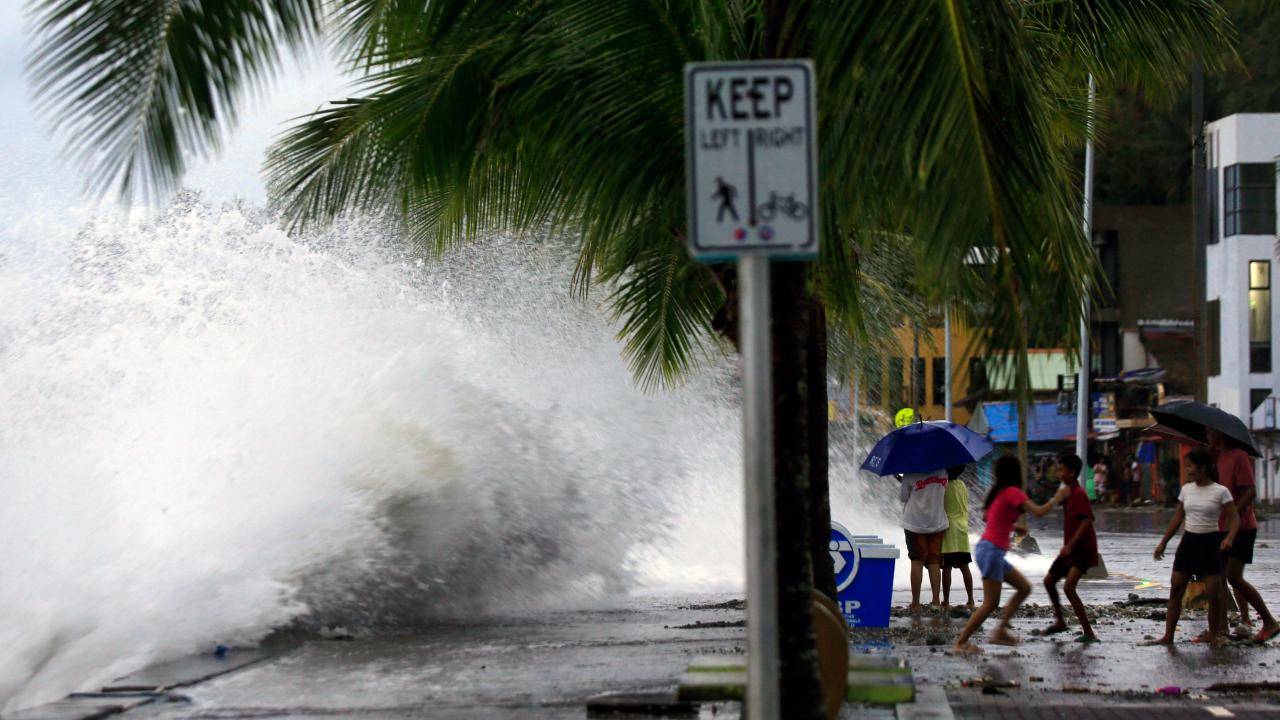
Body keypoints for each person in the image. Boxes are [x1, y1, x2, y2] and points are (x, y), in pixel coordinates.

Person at [952, 456, 1068, 654]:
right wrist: (1058, 497)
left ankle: (1000, 630)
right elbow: (1039, 512)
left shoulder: (998, 492)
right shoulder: (1013, 492)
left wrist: (1013, 527)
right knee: (990, 603)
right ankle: (961, 643)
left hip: (988, 549)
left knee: (1024, 588)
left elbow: (987, 517)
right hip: (991, 551)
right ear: (1016, 473)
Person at [1143, 448, 1240, 646]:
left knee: (1213, 592)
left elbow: (1234, 517)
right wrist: (1163, 542)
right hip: (1189, 541)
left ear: (1203, 468)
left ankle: (1214, 633)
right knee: (1176, 589)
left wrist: (1229, 537)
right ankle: (1168, 636)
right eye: (1186, 467)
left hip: (1211, 542)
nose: (1187, 470)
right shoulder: (1186, 489)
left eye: (1190, 466)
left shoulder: (1220, 491)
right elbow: (1178, 516)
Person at [1208, 429, 1280, 643]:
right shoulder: (1219, 458)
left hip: (1242, 527)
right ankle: (1219, 630)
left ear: (1220, 435)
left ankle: (1269, 621)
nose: (1208, 437)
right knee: (1218, 579)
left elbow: (1250, 491)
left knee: (1233, 576)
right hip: (1221, 526)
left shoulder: (1239, 456)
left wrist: (1234, 512)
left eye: (1210, 434)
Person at [1039, 453, 1099, 642]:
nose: (1058, 473)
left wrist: (1070, 545)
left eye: (1061, 469)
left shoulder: (1079, 494)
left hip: (1081, 549)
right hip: (1069, 550)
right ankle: (1060, 621)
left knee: (1069, 587)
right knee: (1049, 581)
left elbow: (1087, 520)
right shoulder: (1067, 493)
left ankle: (1088, 631)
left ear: (1072, 472)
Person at [899, 468, 949, 613]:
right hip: (937, 523)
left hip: (915, 524)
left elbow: (903, 497)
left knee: (917, 561)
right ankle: (936, 601)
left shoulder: (910, 473)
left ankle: (915, 603)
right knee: (934, 561)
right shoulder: (943, 472)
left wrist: (903, 482)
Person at [941, 465, 975, 611]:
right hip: (962, 528)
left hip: (949, 530)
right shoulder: (962, 485)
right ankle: (971, 599)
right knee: (964, 567)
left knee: (947, 567)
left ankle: (946, 601)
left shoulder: (944, 487)